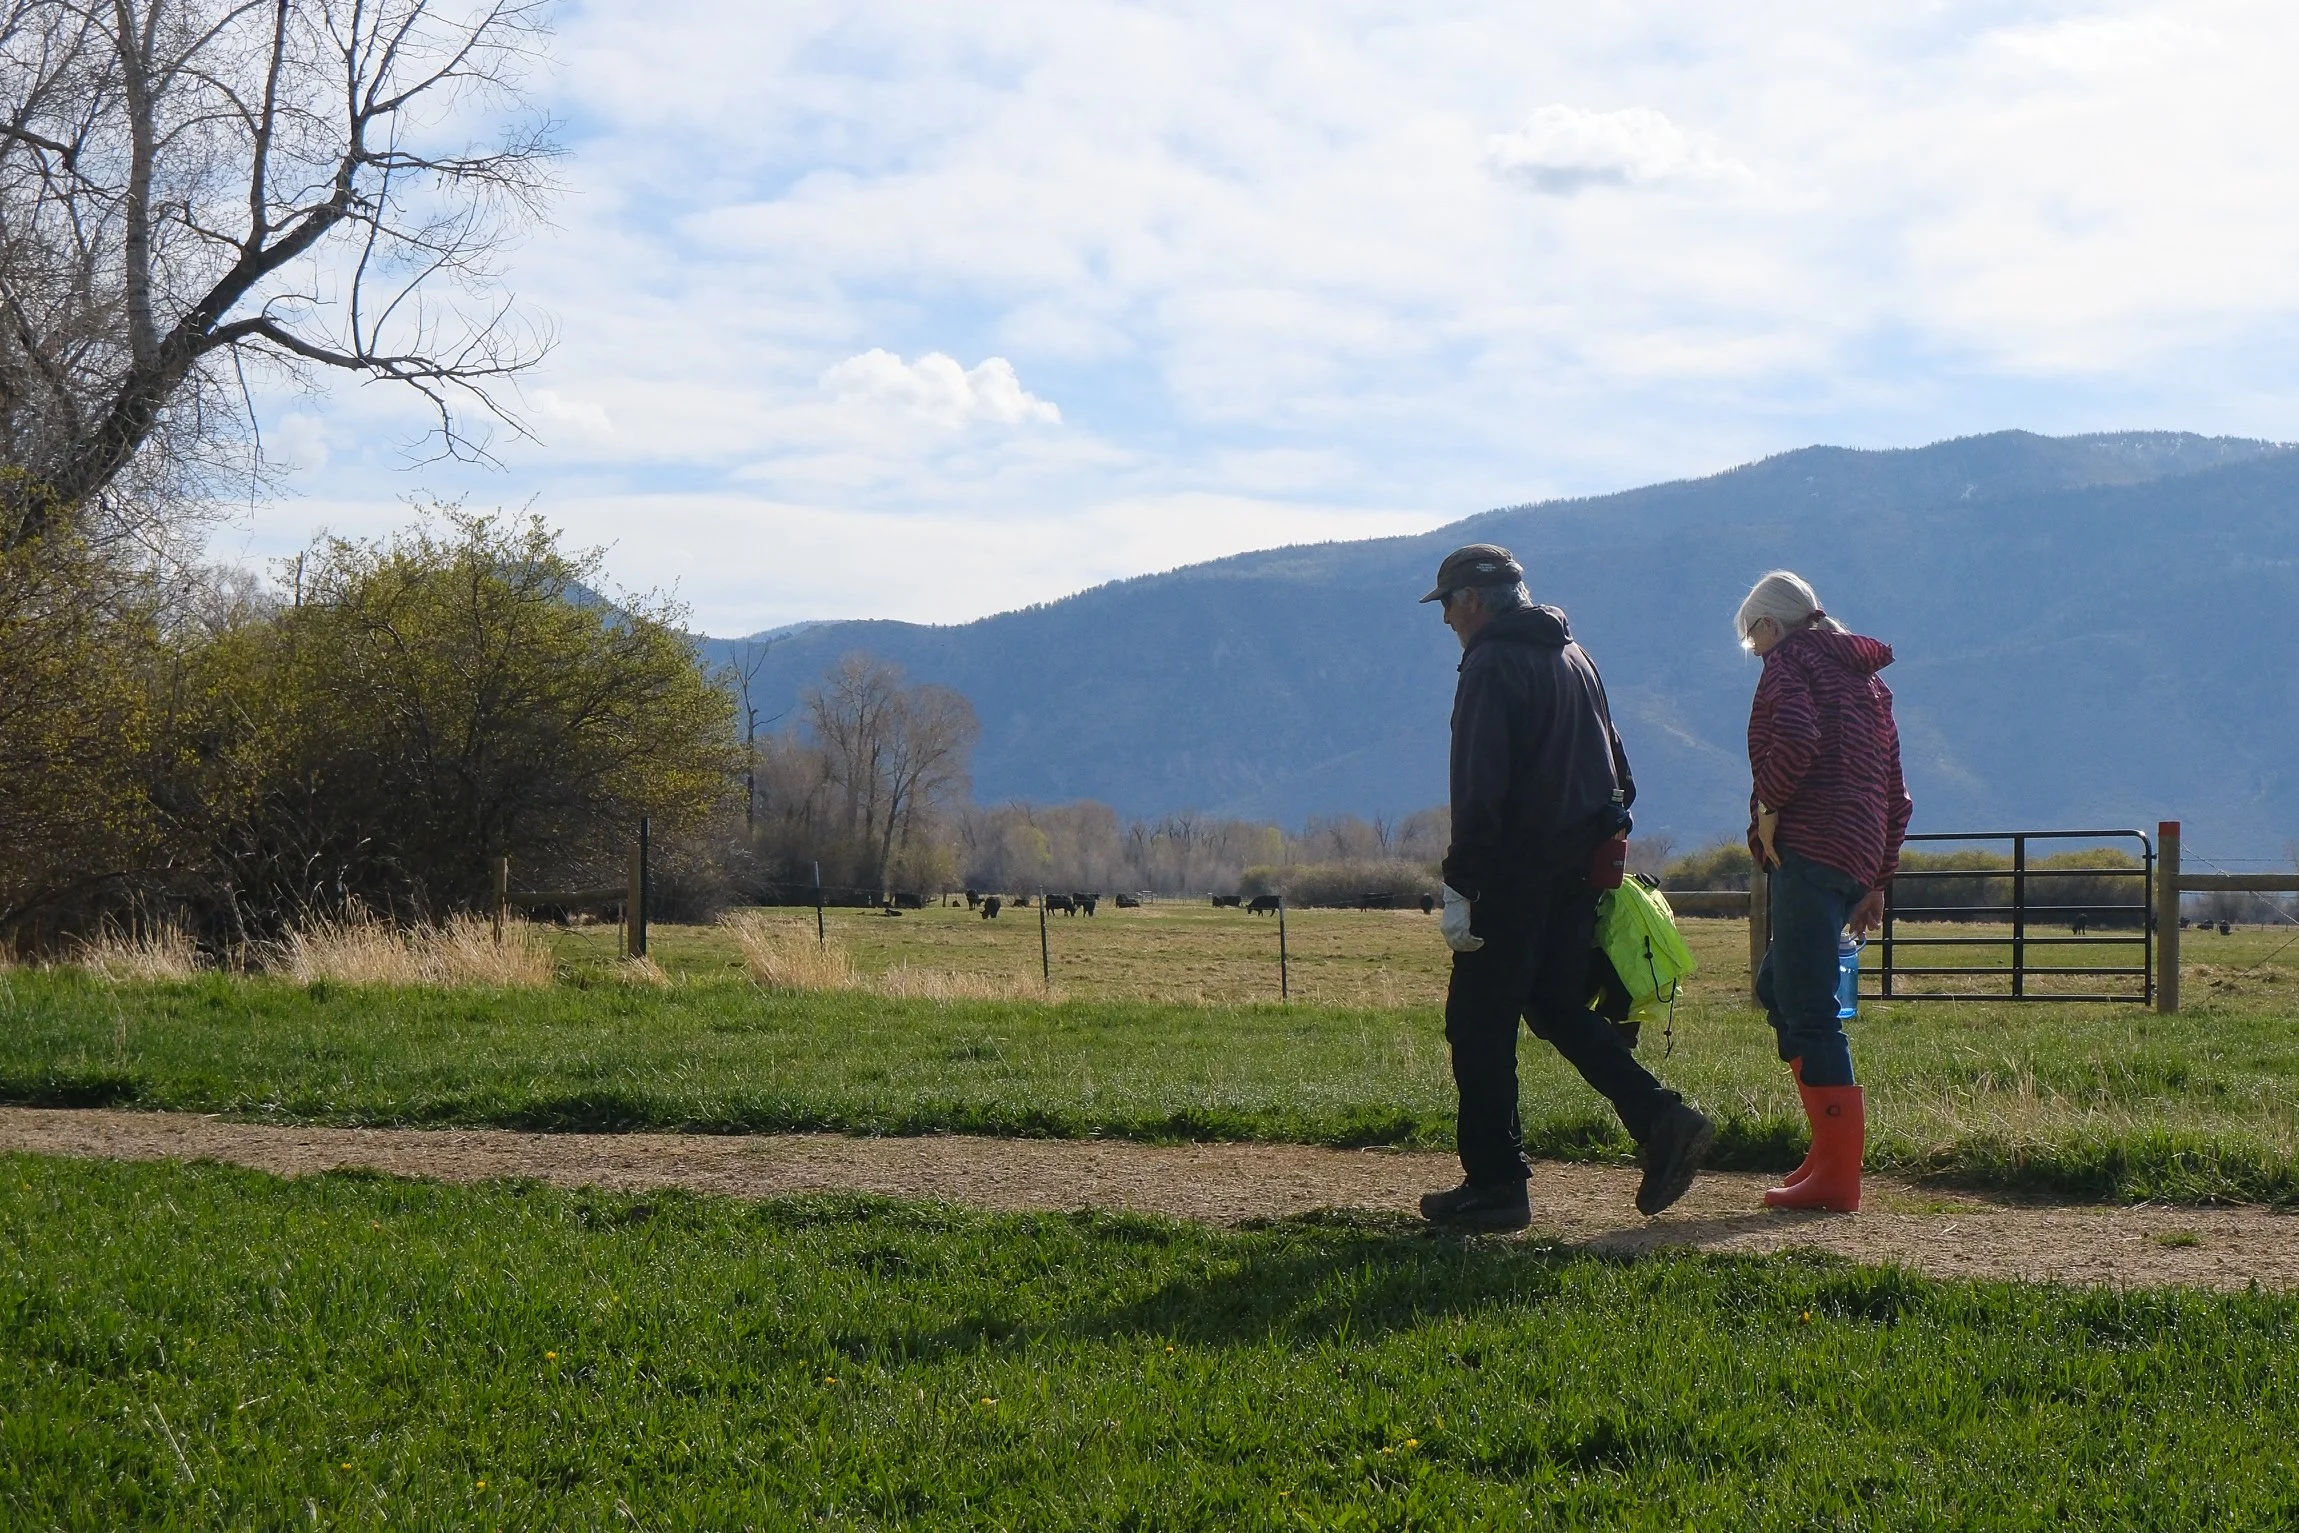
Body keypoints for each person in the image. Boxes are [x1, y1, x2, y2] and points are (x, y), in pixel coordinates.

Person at [1418, 544, 1716, 1231]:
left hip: (1511, 878)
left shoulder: (1490, 663)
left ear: (1470, 600)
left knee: (1477, 1024)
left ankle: (1496, 1184)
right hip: (1577, 874)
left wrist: (1462, 885)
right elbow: (1623, 777)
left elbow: (1478, 789)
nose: (1445, 623)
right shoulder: (1575, 658)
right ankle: (1661, 1118)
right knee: (1555, 1005)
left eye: (1446, 607)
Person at [1737, 570, 1911, 1214]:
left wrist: (1771, 806)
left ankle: (1837, 1178)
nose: (1753, 650)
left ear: (1771, 626)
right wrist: (1877, 876)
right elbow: (1896, 792)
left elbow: (1796, 740)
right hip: (1856, 853)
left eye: (1752, 636)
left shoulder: (1790, 663)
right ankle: (1825, 1151)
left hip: (1810, 848)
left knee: (1807, 1007)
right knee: (1775, 988)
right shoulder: (1870, 685)